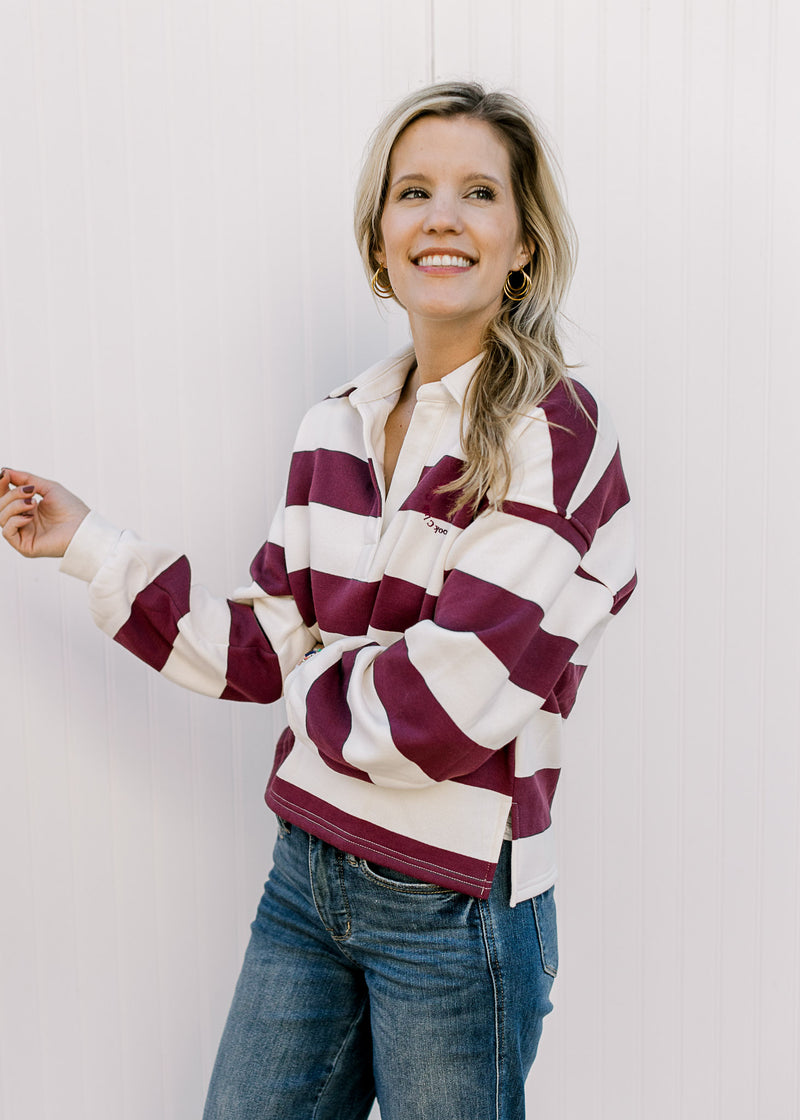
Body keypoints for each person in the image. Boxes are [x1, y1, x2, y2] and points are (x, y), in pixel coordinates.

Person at [0, 81, 636, 1120]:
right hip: (306, 875)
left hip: (456, 899)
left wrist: (307, 671)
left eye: (478, 192)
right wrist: (87, 543)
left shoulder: (554, 432)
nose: (440, 216)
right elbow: (253, 646)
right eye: (412, 192)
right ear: (378, 235)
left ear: (522, 241)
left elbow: (438, 714)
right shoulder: (333, 426)